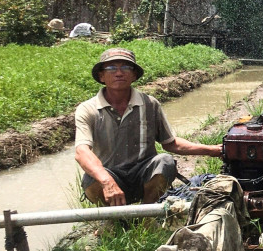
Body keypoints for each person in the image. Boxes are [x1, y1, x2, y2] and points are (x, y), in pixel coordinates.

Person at [75, 48, 223, 206]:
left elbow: (170, 143)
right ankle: (113, 218)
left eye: (126, 68)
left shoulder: (149, 104)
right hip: (111, 177)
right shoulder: (88, 109)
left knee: (165, 161)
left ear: (134, 75)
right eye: (111, 68)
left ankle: (147, 214)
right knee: (91, 176)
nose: (119, 73)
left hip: (143, 176)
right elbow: (81, 152)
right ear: (101, 76)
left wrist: (212, 150)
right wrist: (106, 181)